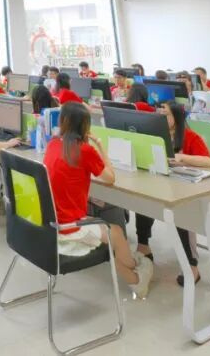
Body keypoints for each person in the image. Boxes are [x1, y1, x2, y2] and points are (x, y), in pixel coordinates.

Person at [43, 102, 153, 298]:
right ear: (85, 126)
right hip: (68, 227)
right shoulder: (84, 150)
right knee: (116, 233)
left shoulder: (53, 144)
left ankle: (133, 266)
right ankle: (136, 276)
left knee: (114, 234)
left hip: (51, 222)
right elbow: (110, 178)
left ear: (63, 121)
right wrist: (100, 146)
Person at [134, 103, 210, 285]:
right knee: (142, 199)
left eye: (166, 114)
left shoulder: (190, 137)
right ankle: (143, 247)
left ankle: (192, 266)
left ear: (177, 118)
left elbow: (208, 162)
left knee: (181, 212)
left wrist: (182, 158)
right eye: (159, 113)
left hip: (189, 191)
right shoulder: (155, 135)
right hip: (164, 184)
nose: (161, 117)